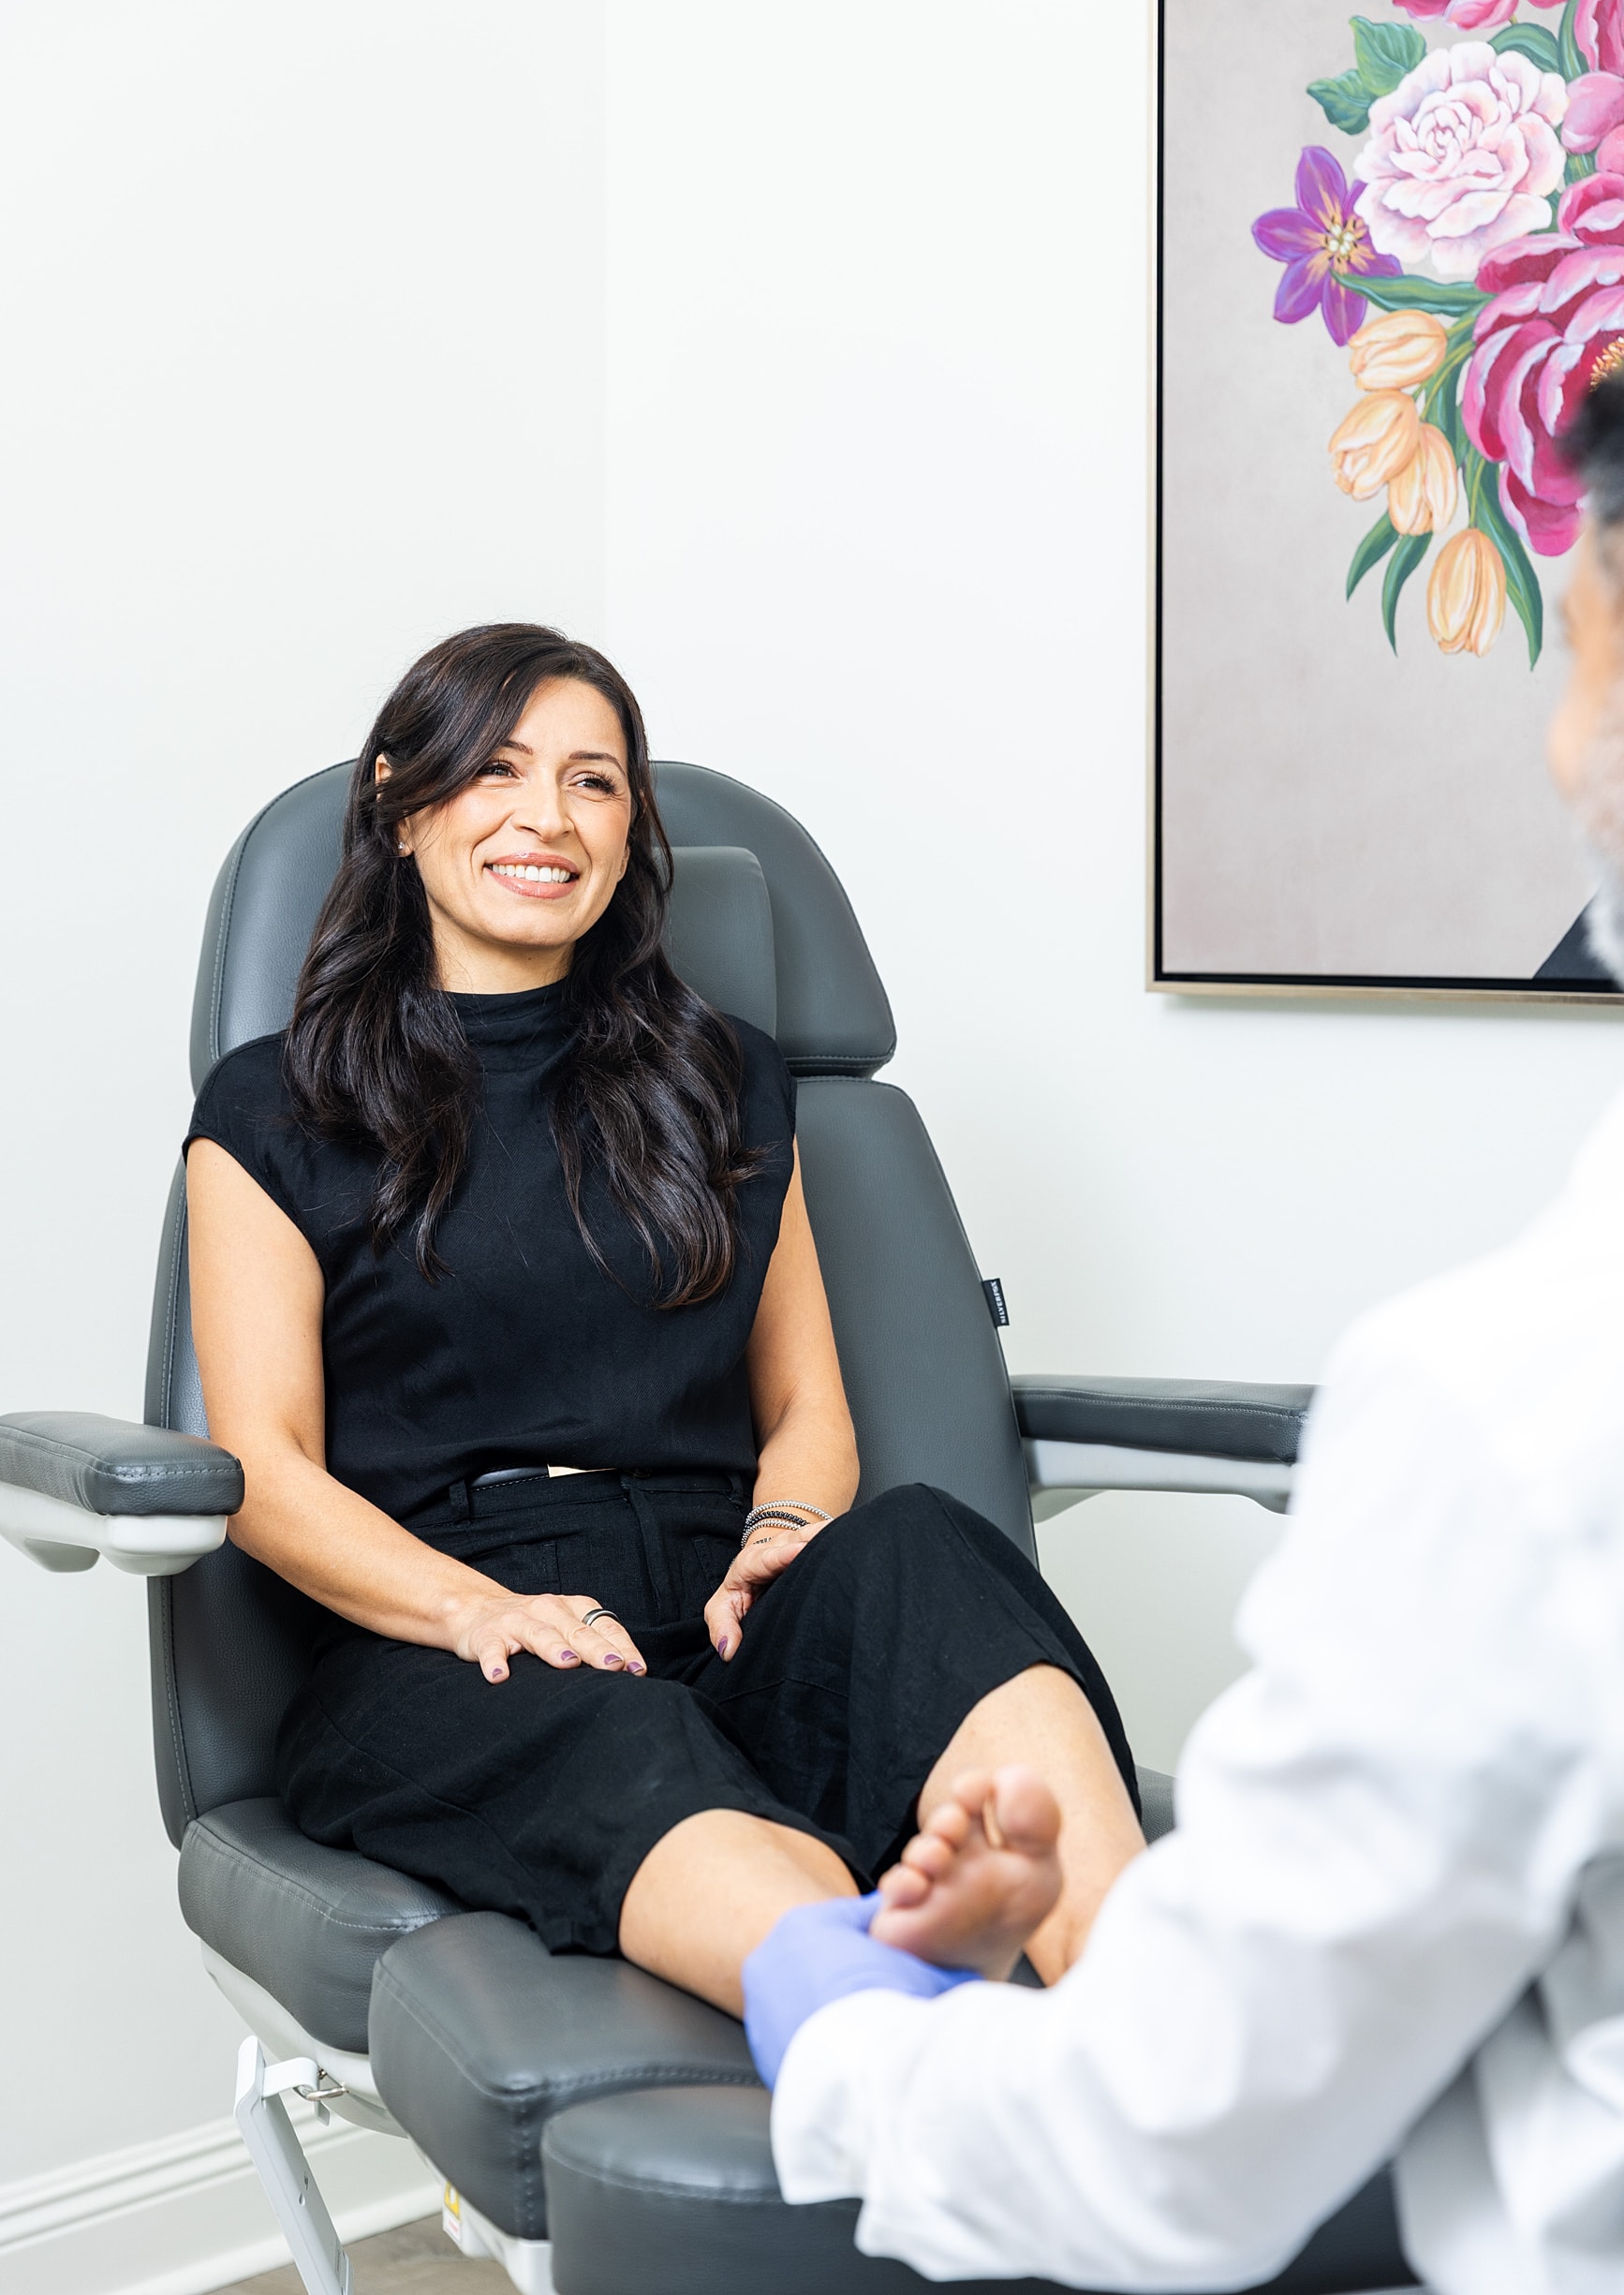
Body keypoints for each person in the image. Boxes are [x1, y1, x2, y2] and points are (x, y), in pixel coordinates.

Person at [745, 378, 1624, 2292]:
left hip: (782, 1611)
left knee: (914, 1546)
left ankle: (1079, 1936)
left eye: (1569, 652)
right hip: (510, 1637)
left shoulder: (1528, 1409)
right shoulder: (278, 1113)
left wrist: (840, 2037)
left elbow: (1175, 2152)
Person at [184, 624, 1145, 2019]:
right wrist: (479, 1608)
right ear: (399, 802)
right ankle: (894, 2024)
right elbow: (264, 1469)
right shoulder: (278, 1106)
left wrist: (783, 1537)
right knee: (617, 1738)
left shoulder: (722, 1078)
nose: (546, 818)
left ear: (630, 827)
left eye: (593, 782)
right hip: (452, 1637)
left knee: (927, 1546)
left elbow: (806, 1408)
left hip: (721, 1597)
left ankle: (1145, 2015)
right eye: (494, 771)